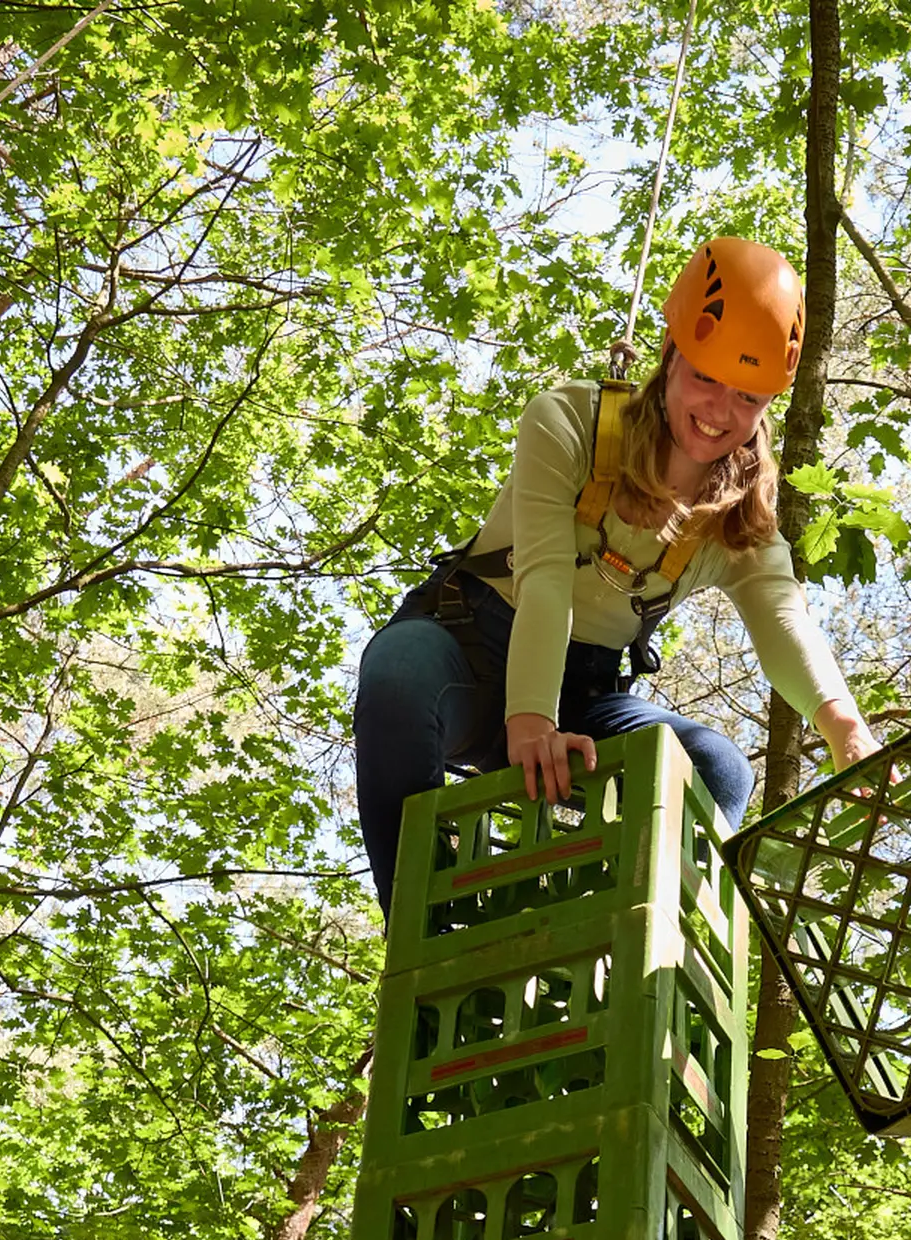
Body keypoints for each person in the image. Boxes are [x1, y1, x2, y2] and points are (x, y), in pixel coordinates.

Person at [351, 235, 877, 908]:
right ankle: (423, 928)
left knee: (714, 771)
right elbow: (544, 577)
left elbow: (783, 618)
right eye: (706, 378)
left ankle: (598, 938)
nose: (720, 412)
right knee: (396, 673)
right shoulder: (568, 421)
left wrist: (843, 727)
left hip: (585, 691)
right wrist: (531, 719)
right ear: (670, 355)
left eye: (747, 398)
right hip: (466, 654)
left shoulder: (739, 522)